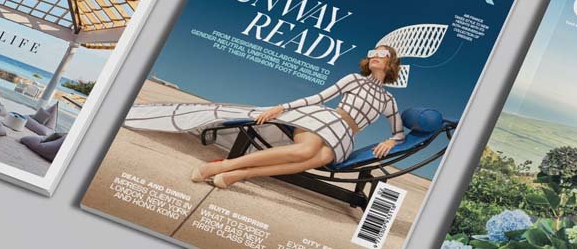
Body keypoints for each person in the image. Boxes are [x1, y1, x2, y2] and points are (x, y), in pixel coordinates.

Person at [154, 45, 406, 189]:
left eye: (382, 54)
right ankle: (224, 168)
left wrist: (391, 142)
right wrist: (281, 107)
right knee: (304, 152)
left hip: (345, 137)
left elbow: (399, 133)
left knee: (318, 158)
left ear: (391, 62)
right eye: (373, 51)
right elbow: (318, 98)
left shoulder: (388, 101)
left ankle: (237, 175)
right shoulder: (353, 79)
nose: (375, 55)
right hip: (325, 119)